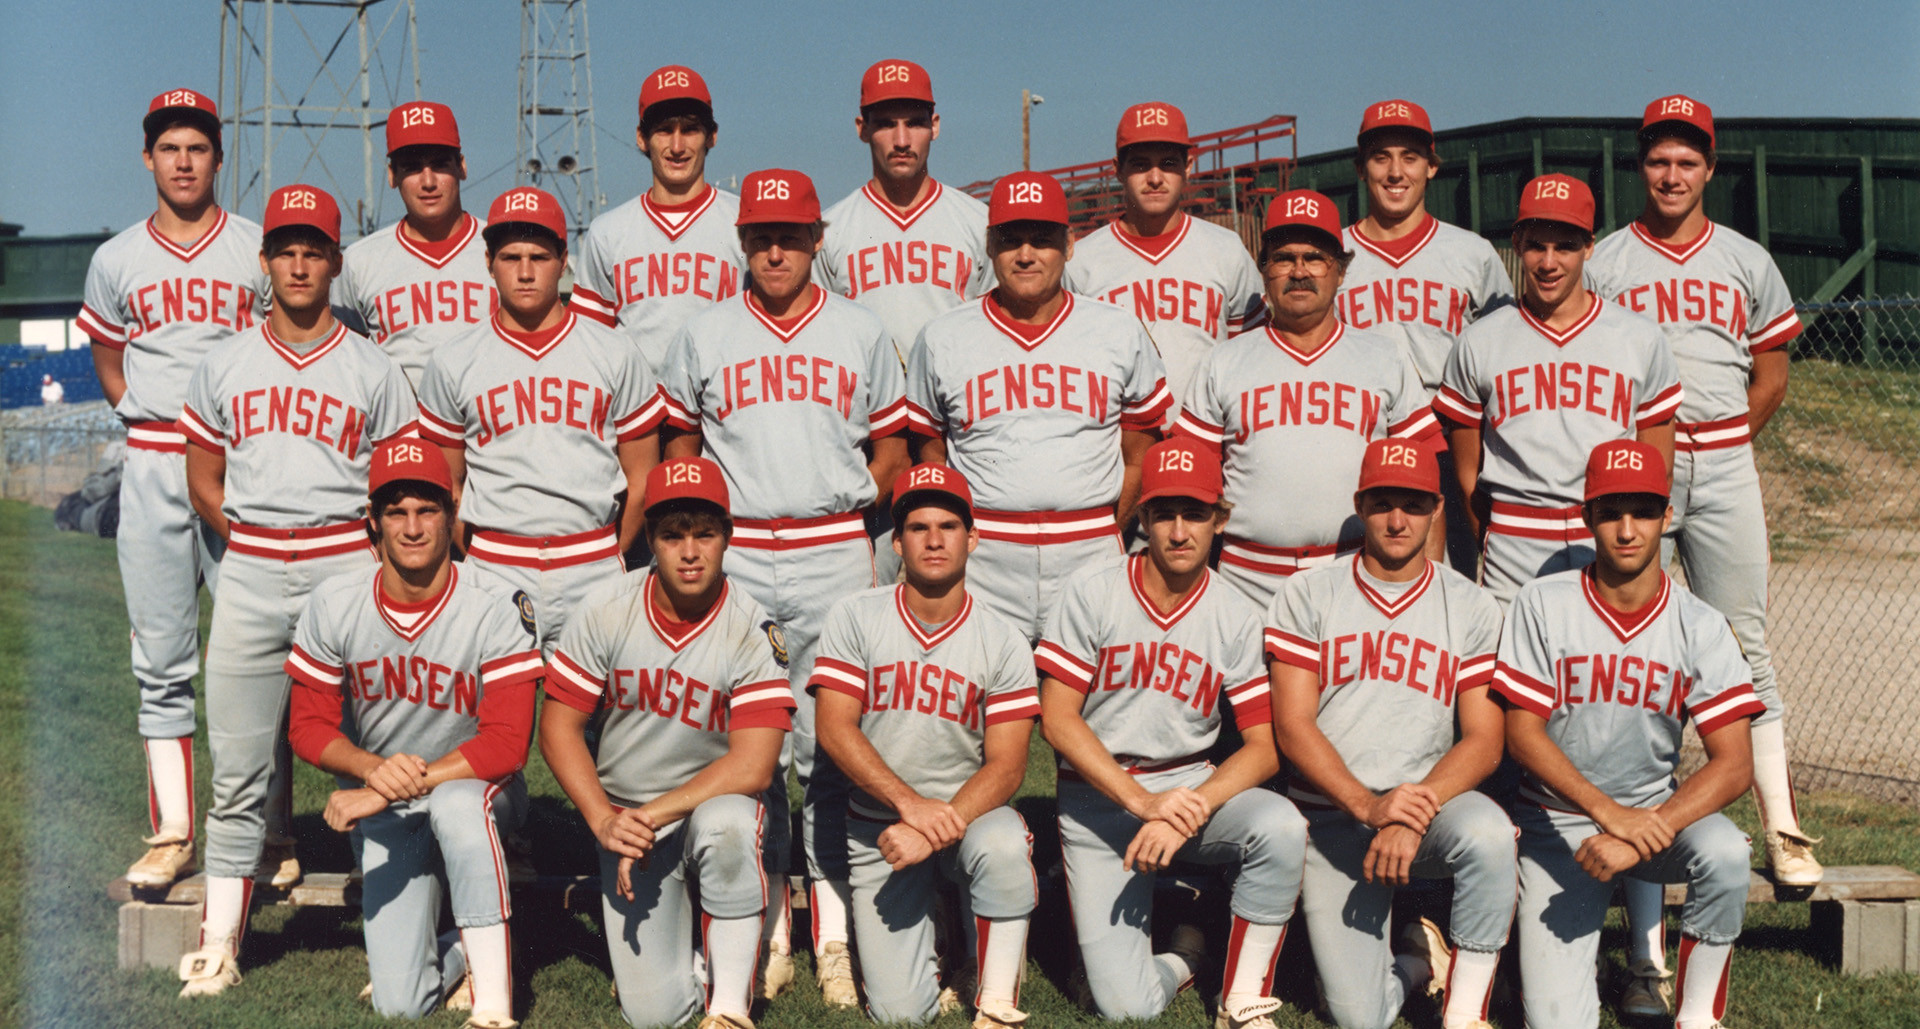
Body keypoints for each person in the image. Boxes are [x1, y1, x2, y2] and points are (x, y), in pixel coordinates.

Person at [1587, 95, 1817, 1017]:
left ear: (1709, 168)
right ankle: (1622, 831)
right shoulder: (1605, 256)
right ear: (1639, 168)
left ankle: (1784, 825)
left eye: (1687, 161)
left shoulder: (1745, 259)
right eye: (1657, 161)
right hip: (1634, 463)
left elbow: (1772, 372)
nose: (1671, 175)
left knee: (1741, 639)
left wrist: (1724, 445)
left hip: (1718, 452)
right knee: (1631, 646)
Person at [658, 167, 909, 1006]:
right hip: (739, 550)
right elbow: (681, 448)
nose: (775, 248)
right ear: (742, 243)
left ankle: (833, 931)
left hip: (833, 544)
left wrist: (846, 498)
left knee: (832, 744)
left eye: (791, 235)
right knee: (752, 745)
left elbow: (893, 451)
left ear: (817, 240)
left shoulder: (861, 330)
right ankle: (766, 926)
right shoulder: (705, 332)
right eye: (762, 236)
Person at [174, 183, 418, 997]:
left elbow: (398, 489)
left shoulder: (372, 367)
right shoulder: (225, 361)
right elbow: (203, 475)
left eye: (315, 249)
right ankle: (220, 940)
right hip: (250, 567)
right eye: (288, 249)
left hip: (344, 565)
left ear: (336, 261)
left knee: (374, 754)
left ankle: (395, 936)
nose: (301, 263)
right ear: (267, 259)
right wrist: (243, 542)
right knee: (238, 767)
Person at [1494, 440, 1764, 1029]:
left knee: (1724, 851)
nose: (1626, 528)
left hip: (1653, 819)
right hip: (1555, 824)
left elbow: (1735, 764)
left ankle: (1696, 1017)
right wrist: (1604, 812)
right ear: (1587, 515)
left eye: (1642, 511)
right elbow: (1522, 736)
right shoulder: (1543, 602)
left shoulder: (1700, 624)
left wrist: (1642, 830)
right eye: (1610, 510)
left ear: (1667, 517)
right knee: (1557, 1023)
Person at [1037, 438, 1304, 1028]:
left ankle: (1241, 998)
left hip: (1187, 792)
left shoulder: (1234, 612)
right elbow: (1057, 719)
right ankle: (1187, 953)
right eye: (1164, 514)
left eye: (1195, 514)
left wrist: (1185, 807)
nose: (1180, 531)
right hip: (1098, 798)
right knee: (1126, 1008)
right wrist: (1141, 801)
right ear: (1143, 518)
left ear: (1221, 520)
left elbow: (1263, 748)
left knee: (1280, 826)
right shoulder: (1093, 589)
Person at [284, 439, 539, 1028]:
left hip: (480, 788)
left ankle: (494, 1008)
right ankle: (461, 945)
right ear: (372, 522)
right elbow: (308, 725)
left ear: (452, 514)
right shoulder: (336, 601)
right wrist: (372, 770)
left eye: (427, 510)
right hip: (389, 804)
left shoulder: (497, 601)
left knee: (456, 806)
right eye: (396, 512)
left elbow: (505, 745)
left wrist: (383, 787)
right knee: (401, 1001)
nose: (414, 527)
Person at [80, 88, 266, 889]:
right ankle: (174, 830)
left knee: (261, 650)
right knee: (161, 655)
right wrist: (137, 412)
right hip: (156, 457)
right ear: (148, 158)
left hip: (242, 459)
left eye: (197, 147)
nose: (184, 161)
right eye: (169, 147)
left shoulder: (258, 248)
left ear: (219, 158)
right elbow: (111, 358)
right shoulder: (117, 257)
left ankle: (270, 829)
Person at [541, 456, 794, 1029]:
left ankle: (730, 1007)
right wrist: (605, 820)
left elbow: (753, 766)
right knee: (654, 1015)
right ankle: (707, 958)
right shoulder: (608, 610)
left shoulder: (752, 628)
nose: (689, 551)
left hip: (710, 806)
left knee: (730, 820)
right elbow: (556, 728)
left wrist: (648, 816)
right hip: (628, 823)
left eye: (705, 533)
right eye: (672, 534)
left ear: (728, 537)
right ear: (650, 539)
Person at [1268, 438, 1512, 1029]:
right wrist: (1368, 805)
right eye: (1382, 504)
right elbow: (1292, 725)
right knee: (1361, 1021)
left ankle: (1465, 1010)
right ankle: (1417, 962)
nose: (1397, 520)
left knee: (1491, 834)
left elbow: (1485, 739)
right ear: (1360, 504)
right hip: (1333, 814)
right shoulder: (1308, 593)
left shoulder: (1472, 605)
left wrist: (1406, 813)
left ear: (1435, 508)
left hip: (1426, 812)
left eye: (1413, 504)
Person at [811, 462, 1039, 1028]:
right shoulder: (855, 616)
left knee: (1007, 842)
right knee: (899, 1015)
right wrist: (910, 809)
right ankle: (944, 925)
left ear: (974, 537)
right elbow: (834, 728)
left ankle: (996, 1002)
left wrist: (937, 823)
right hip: (881, 826)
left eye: (949, 525)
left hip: (973, 819)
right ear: (896, 542)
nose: (934, 539)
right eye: (918, 527)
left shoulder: (1003, 638)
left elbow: (1009, 767)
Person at [906, 170, 1171, 642]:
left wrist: (1110, 527)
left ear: (1069, 245)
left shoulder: (1117, 329)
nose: (1026, 255)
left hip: (1088, 546)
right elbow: (931, 448)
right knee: (977, 700)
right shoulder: (944, 334)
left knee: (1095, 702)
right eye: (1011, 240)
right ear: (990, 246)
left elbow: (1142, 451)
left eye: (1042, 240)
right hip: (986, 549)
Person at [415, 185, 663, 654]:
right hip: (495, 561)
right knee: (492, 718)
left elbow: (642, 477)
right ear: (488, 261)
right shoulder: (454, 358)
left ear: (564, 258)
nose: (525, 272)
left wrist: (611, 552)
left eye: (539, 256)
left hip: (590, 558)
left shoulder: (612, 349)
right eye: (510, 257)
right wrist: (480, 555)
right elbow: (448, 484)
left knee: (599, 722)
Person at [1175, 189, 1438, 606]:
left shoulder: (1384, 356)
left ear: (1341, 271)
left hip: (1357, 571)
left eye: (1315, 257)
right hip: (1247, 579)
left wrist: (1428, 585)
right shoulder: (1223, 361)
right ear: (1263, 271)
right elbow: (1188, 486)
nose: (1299, 271)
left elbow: (1427, 479)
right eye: (1284, 258)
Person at [1433, 174, 1683, 606]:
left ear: (1589, 247)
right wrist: (1495, 536)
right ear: (1517, 243)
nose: (1549, 262)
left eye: (1565, 246)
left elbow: (1656, 466)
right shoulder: (1480, 340)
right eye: (1536, 245)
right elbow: (1466, 472)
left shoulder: (1638, 338)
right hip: (1515, 542)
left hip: (1604, 535)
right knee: (1511, 668)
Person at [815, 58, 992, 587]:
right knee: (875, 597)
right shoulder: (832, 227)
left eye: (913, 121)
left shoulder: (975, 221)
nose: (900, 137)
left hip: (957, 431)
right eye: (885, 122)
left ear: (934, 126)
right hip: (873, 439)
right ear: (861, 128)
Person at [1336, 99, 1513, 570]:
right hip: (1361, 441)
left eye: (1410, 157)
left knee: (1451, 584)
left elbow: (1507, 359)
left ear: (1432, 167)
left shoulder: (1471, 254)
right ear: (1360, 168)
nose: (1396, 172)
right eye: (1381, 158)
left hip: (1449, 445)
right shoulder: (1332, 255)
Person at [1065, 101, 1266, 418]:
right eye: (1141, 165)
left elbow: (1253, 356)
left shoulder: (1226, 249)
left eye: (1168, 163)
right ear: (1118, 169)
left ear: (1189, 166)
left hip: (1209, 443)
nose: (1155, 178)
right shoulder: (1082, 261)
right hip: (1119, 449)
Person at [571, 66, 745, 375]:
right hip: (634, 413)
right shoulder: (609, 232)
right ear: (642, 138)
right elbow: (588, 345)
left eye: (690, 129)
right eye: (664, 130)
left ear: (712, 137)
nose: (677, 147)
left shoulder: (744, 223)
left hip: (719, 412)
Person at [336, 100, 497, 389]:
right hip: (398, 429)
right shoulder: (360, 261)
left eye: (439, 164)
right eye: (412, 168)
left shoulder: (503, 250)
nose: (428, 181)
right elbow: (344, 362)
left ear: (461, 167)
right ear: (392, 176)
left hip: (488, 428)